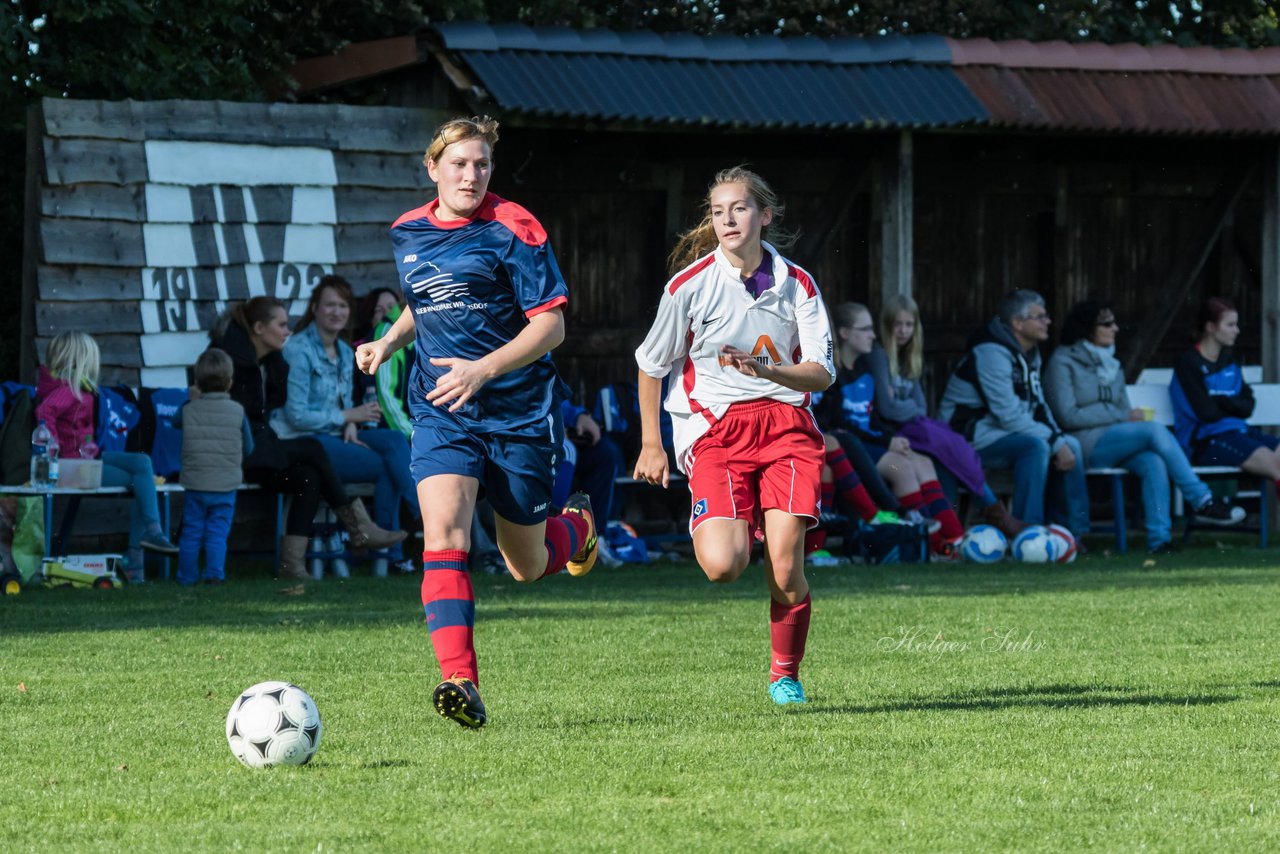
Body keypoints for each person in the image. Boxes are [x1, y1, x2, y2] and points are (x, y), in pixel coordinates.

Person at [357, 115, 599, 730]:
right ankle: (459, 680)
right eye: (460, 163)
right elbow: (425, 297)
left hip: (518, 413)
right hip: (443, 408)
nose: (472, 174)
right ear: (432, 168)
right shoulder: (406, 231)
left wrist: (483, 370)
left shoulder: (515, 228)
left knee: (527, 564)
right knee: (444, 534)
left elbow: (552, 325)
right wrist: (387, 343)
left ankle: (577, 528)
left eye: (482, 164)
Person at [633, 165, 833, 707]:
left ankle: (785, 674)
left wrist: (770, 372)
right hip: (715, 432)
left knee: (787, 567)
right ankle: (750, 523)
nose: (727, 220)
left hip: (786, 425)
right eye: (718, 211)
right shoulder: (688, 286)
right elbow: (651, 365)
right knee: (724, 565)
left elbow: (821, 372)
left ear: (764, 216)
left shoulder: (799, 285)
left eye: (739, 209)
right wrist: (652, 443)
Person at [210, 296, 406, 581]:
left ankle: (293, 566)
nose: (287, 331)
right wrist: (345, 417)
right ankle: (359, 529)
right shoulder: (230, 363)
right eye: (280, 325)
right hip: (238, 454)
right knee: (313, 448)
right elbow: (252, 421)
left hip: (264, 449)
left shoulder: (271, 361)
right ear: (259, 328)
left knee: (309, 478)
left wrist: (348, 421)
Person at [1046, 299, 1244, 555]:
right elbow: (1067, 415)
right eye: (1107, 323)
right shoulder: (1063, 361)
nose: (1115, 328)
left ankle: (1159, 541)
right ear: (1086, 328)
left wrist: (1121, 416)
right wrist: (1119, 415)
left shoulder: (1110, 363)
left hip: (1114, 440)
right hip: (1080, 443)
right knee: (1153, 430)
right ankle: (1201, 499)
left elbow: (1122, 412)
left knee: (1153, 461)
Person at [272, 275, 420, 574]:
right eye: (329, 305)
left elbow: (341, 403)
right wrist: (346, 418)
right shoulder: (298, 350)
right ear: (315, 308)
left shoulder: (342, 350)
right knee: (386, 466)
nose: (337, 311)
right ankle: (412, 529)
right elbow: (296, 415)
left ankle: (394, 546)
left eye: (342, 305)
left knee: (392, 441)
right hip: (302, 440)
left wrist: (349, 422)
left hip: (336, 434)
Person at [814, 302, 970, 557]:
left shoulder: (865, 369)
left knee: (922, 462)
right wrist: (887, 443)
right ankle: (922, 540)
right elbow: (841, 424)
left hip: (868, 442)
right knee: (903, 468)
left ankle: (954, 537)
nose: (873, 336)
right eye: (865, 329)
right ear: (843, 333)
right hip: (854, 446)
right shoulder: (832, 373)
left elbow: (873, 418)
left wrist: (892, 438)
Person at [869, 293, 1025, 538]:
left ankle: (950, 533)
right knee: (948, 447)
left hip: (912, 426)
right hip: (891, 431)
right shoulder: (878, 355)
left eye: (909, 325)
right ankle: (992, 512)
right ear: (886, 326)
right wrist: (905, 404)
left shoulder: (909, 358)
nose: (903, 331)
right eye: (897, 324)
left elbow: (920, 407)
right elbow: (887, 409)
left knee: (951, 453)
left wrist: (903, 403)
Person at [938, 290, 1089, 539]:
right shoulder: (990, 353)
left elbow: (1039, 407)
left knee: (1071, 445)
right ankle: (1029, 535)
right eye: (1040, 317)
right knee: (1035, 447)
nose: (1048, 321)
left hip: (999, 433)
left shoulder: (1030, 355)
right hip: (966, 438)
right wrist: (1053, 442)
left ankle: (1071, 535)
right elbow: (1007, 414)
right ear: (1018, 323)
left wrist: (1059, 439)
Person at [35, 331, 179, 582]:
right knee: (140, 480)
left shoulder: (79, 389)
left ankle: (149, 538)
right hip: (70, 467)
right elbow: (44, 412)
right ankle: (138, 553)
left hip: (85, 459)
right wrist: (52, 450)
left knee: (142, 464)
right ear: (81, 360)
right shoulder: (68, 389)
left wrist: (89, 445)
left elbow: (79, 429)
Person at [1171, 296, 1280, 494]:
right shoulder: (1188, 363)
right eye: (1230, 325)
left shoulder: (1228, 362)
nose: (1236, 330)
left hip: (1239, 432)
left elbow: (1248, 406)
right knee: (1275, 465)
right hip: (1205, 441)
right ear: (1211, 327)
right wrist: (1233, 404)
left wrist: (1220, 401)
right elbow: (1207, 414)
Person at [173, 348, 255, 585]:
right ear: (230, 382)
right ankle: (214, 574)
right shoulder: (238, 411)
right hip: (225, 485)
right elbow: (248, 447)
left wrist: (191, 398)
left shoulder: (189, 409)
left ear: (197, 382)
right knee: (217, 533)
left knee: (191, 532)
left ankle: (186, 577)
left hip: (195, 483)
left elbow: (175, 421)